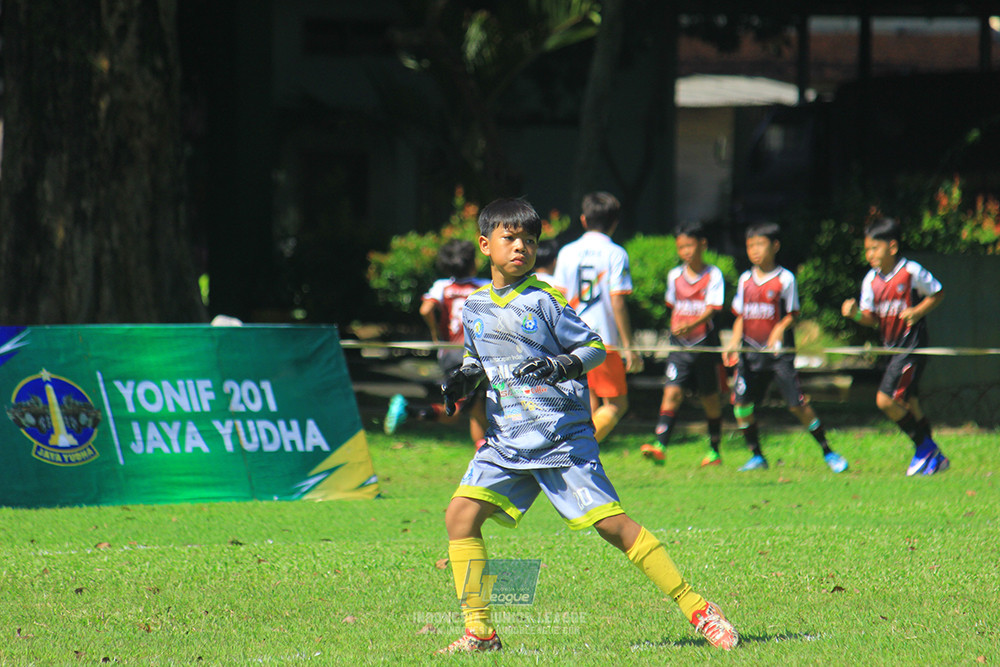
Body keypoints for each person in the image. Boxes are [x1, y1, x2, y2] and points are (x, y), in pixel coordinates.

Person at [437, 197, 738, 654]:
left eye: (530, 240)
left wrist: (562, 366)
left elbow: (596, 348)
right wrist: (465, 379)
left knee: (613, 527)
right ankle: (480, 633)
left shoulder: (545, 300)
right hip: (506, 441)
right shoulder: (475, 306)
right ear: (485, 244)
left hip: (560, 439)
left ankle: (698, 608)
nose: (521, 247)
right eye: (510, 238)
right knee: (460, 515)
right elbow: (478, 359)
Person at [723, 222, 849, 473]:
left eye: (760, 244)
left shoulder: (784, 279)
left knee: (796, 405)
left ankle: (828, 452)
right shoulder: (745, 279)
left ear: (775, 246)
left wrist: (780, 328)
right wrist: (734, 343)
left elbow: (792, 314)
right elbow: (741, 316)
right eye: (750, 246)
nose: (755, 250)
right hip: (750, 355)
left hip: (779, 355)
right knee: (742, 406)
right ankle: (757, 455)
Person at [841, 216, 948, 476]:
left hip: (911, 347)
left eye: (874, 248)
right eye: (866, 249)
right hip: (891, 349)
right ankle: (934, 458)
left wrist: (918, 311)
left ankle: (925, 448)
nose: (869, 254)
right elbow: (871, 318)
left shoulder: (911, 272)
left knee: (885, 400)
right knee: (910, 402)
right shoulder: (870, 280)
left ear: (892, 247)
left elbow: (937, 292)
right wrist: (856, 314)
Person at [553, 191, 642, 443]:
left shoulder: (567, 252)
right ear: (615, 222)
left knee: (587, 402)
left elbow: (558, 298)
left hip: (570, 340)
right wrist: (629, 345)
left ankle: (578, 455)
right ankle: (579, 447)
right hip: (602, 340)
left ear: (583, 220)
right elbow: (617, 299)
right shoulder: (615, 253)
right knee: (616, 404)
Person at [383, 239, 488, 450]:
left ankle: (482, 451)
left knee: (476, 408)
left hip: (448, 353)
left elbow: (425, 309)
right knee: (456, 410)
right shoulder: (484, 285)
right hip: (472, 354)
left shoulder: (443, 286)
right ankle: (408, 409)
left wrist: (435, 334)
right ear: (473, 263)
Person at [640, 221, 726, 467]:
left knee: (710, 398)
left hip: (704, 345)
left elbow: (713, 309)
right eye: (681, 247)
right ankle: (660, 445)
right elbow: (672, 306)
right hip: (679, 346)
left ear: (702, 244)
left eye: (690, 245)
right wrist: (679, 327)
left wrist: (690, 324)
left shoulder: (713, 275)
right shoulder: (674, 275)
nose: (686, 251)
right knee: (672, 391)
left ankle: (714, 450)